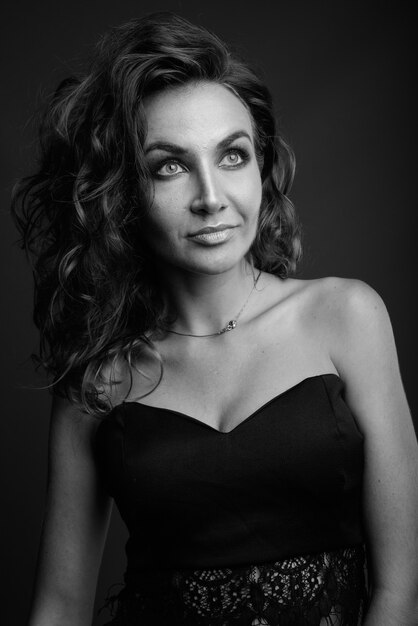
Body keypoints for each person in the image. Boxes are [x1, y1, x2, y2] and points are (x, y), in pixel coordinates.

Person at [12, 12, 418, 626]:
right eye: (168, 166)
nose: (211, 196)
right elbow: (60, 606)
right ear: (120, 192)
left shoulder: (346, 316)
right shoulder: (98, 377)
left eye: (232, 155)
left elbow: (400, 590)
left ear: (261, 166)